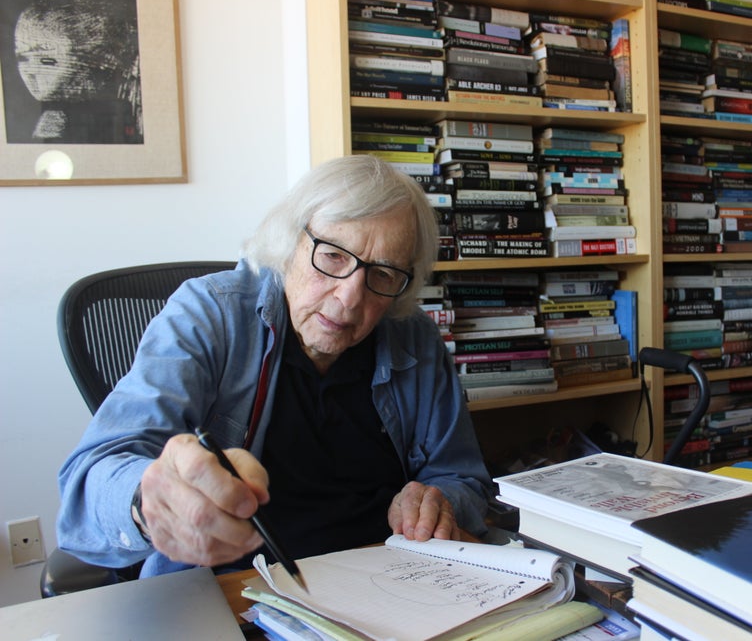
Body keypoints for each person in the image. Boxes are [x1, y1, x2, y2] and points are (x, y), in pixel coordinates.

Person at [56, 155, 491, 577]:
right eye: (334, 256)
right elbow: (91, 480)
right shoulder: (208, 315)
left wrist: (440, 500)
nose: (349, 297)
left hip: (390, 576)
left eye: (383, 273)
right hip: (234, 586)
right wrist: (147, 501)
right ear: (290, 243)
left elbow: (464, 477)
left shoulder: (414, 336)